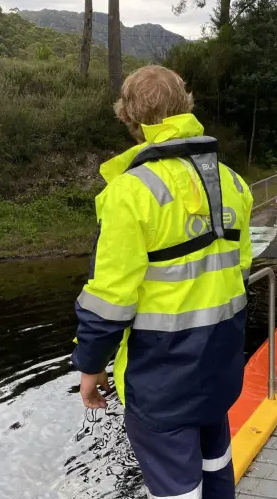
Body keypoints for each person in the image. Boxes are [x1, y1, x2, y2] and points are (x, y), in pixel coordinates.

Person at [71, 65, 253, 499]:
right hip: (220, 366)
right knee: (216, 471)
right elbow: (239, 272)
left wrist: (90, 366)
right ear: (186, 107)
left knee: (175, 490)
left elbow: (109, 299)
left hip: (162, 378)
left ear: (129, 119)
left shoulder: (130, 192)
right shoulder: (232, 182)